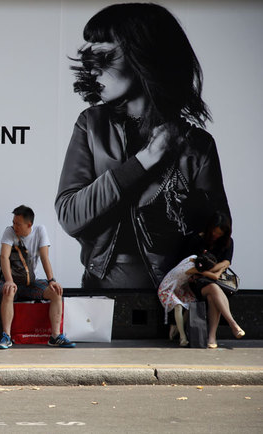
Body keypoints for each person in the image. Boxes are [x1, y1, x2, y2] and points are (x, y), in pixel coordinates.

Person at [55, 3, 230, 289]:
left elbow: (219, 241)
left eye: (104, 55)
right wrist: (145, 160)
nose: (91, 68)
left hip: (175, 296)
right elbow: (70, 216)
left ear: (145, 53)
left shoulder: (197, 146)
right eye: (89, 56)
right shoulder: (92, 125)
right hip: (100, 294)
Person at [0, 205, 75, 349]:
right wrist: (8, 280)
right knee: (8, 291)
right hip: (12, 280)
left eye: (18, 224)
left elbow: (45, 257)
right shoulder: (9, 231)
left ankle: (55, 336)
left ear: (29, 224)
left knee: (56, 293)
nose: (14, 226)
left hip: (31, 282)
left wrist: (51, 281)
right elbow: (4, 257)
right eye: (13, 222)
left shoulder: (40, 231)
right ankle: (6, 336)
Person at [186, 212, 243, 348]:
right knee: (213, 288)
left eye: (219, 233)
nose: (216, 236)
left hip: (213, 280)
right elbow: (190, 264)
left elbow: (227, 262)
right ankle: (232, 324)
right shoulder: (197, 240)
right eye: (214, 232)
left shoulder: (228, 242)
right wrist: (214, 271)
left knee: (213, 296)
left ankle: (212, 338)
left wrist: (209, 272)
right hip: (198, 282)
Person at [157, 253, 217, 347]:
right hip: (166, 289)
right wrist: (223, 267)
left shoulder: (193, 257)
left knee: (193, 303)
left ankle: (177, 326)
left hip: (179, 288)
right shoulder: (192, 269)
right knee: (178, 305)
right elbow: (215, 276)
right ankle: (182, 337)